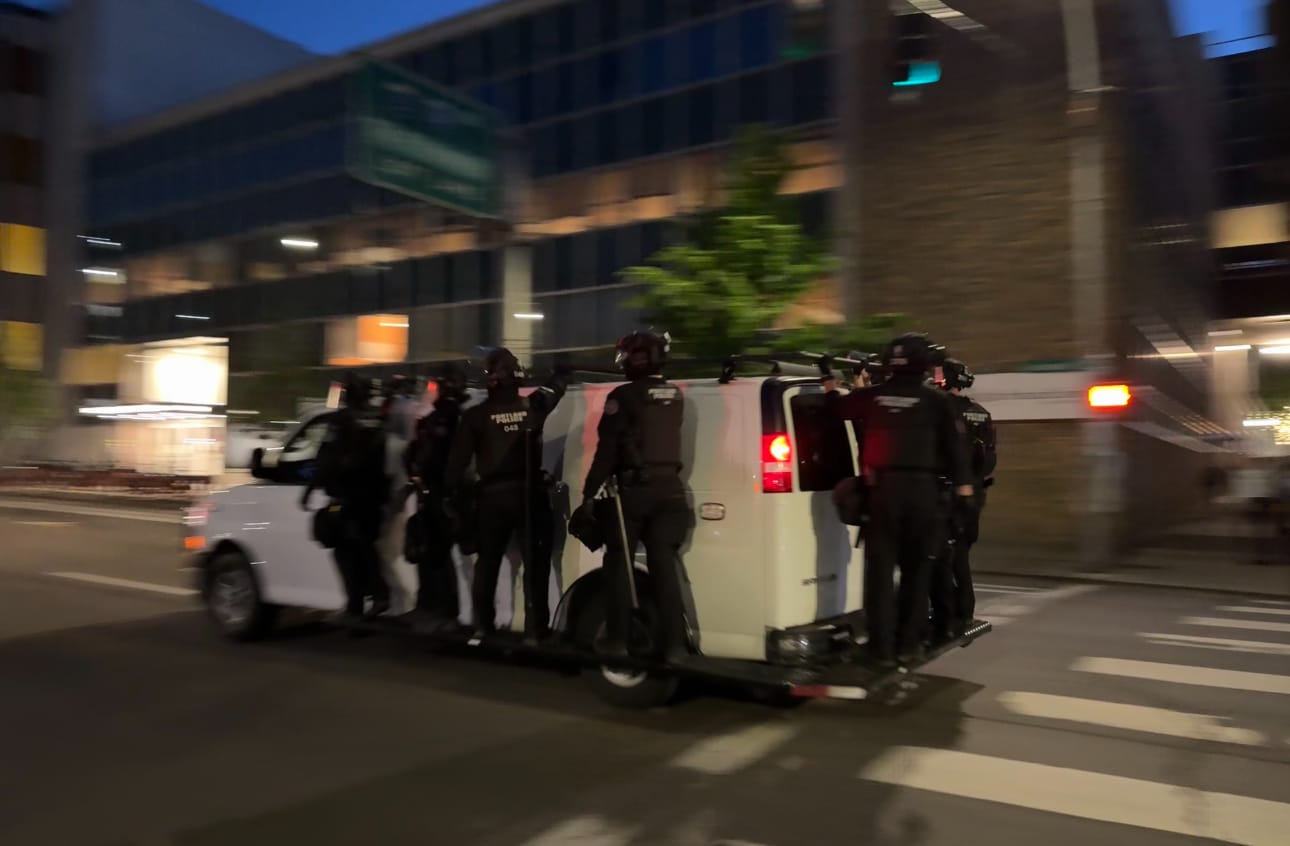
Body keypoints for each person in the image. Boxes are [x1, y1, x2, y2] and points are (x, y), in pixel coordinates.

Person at [824, 333, 972, 667]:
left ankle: (881, 650)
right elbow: (957, 454)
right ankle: (908, 645)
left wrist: (830, 385)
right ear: (924, 365)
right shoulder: (938, 403)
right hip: (924, 496)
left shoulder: (874, 396)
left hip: (883, 495)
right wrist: (964, 496)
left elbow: (839, 410)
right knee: (916, 575)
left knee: (879, 576)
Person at [445, 349, 570, 642]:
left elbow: (456, 465)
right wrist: (562, 371)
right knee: (535, 566)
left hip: (492, 500)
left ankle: (482, 626)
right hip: (530, 497)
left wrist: (452, 501)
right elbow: (557, 389)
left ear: (490, 379)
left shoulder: (475, 416)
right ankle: (535, 630)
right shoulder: (533, 406)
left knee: (487, 563)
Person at [581, 330, 691, 661]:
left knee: (618, 566)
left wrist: (588, 494)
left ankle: (618, 641)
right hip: (671, 492)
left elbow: (607, 452)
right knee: (664, 571)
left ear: (639, 357)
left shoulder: (624, 396)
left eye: (628, 355)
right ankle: (675, 647)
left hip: (634, 492)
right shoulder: (674, 395)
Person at [302, 376, 392, 622]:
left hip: (348, 496)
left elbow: (327, 459)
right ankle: (361, 607)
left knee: (346, 552)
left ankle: (371, 597)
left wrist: (309, 490)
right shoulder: (378, 419)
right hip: (373, 496)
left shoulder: (341, 421)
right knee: (362, 547)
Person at [929, 358, 996, 640]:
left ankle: (945, 613)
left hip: (944, 493)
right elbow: (990, 460)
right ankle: (966, 611)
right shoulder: (981, 413)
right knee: (961, 555)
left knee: (938, 556)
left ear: (944, 379)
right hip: (974, 495)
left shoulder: (938, 411)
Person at [404, 366, 469, 632]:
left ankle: (442, 610)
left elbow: (429, 456)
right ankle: (434, 607)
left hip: (439, 494)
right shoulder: (456, 416)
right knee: (436, 551)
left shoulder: (444, 418)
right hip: (448, 494)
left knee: (437, 552)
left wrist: (418, 474)